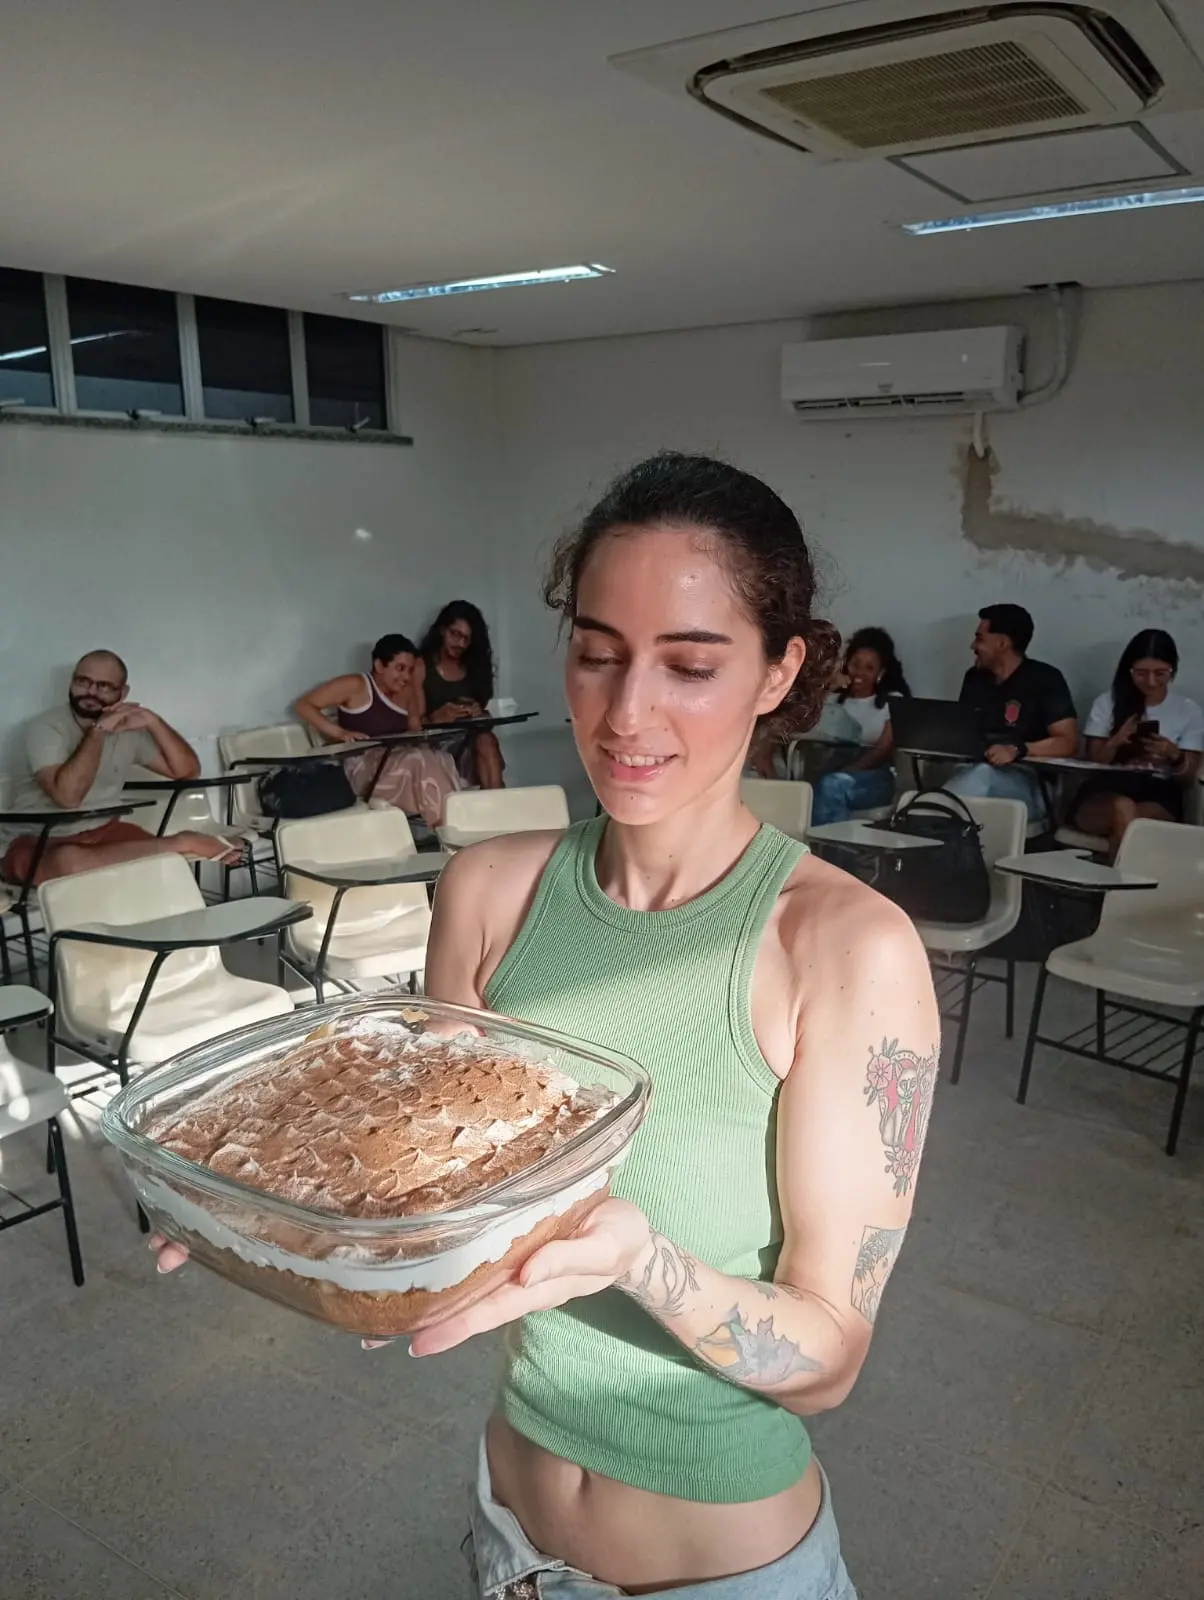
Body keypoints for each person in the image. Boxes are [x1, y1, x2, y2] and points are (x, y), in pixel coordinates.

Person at [155, 452, 940, 1598]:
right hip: (506, 1542)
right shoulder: (488, 888)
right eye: (597, 654)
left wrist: (645, 1263)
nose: (627, 714)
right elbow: (433, 1197)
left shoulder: (841, 949)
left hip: (723, 1569)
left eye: (689, 665)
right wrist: (261, 1208)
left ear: (778, 673)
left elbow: (826, 1361)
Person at [0, 650, 240, 885]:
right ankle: (180, 842)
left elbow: (187, 771)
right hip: (38, 839)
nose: (91, 692)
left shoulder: (128, 730)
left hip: (105, 831)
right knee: (70, 863)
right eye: (83, 682)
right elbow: (68, 798)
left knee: (164, 870)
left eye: (104, 686)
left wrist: (153, 722)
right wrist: (99, 731)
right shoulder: (44, 727)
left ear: (123, 693)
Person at [293, 634, 460, 829]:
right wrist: (340, 733)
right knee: (418, 760)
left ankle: (455, 827)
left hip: (398, 759)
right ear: (380, 666)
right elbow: (304, 705)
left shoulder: (407, 693)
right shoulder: (356, 685)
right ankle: (449, 831)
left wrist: (427, 743)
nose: (406, 677)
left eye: (410, 670)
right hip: (363, 767)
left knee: (441, 757)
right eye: (400, 668)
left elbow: (415, 730)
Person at [1070, 629, 1203, 859]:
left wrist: (1174, 755)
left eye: (1160, 673)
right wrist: (1115, 742)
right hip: (1105, 790)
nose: (1151, 682)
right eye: (1141, 673)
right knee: (1122, 808)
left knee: (1128, 817)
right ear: (1129, 670)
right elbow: (1091, 763)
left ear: (1173, 670)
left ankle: (1111, 888)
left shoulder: (1187, 710)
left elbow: (1189, 778)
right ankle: (1123, 893)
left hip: (1158, 793)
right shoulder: (1107, 702)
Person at [945, 603, 1077, 820]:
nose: (972, 645)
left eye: (979, 638)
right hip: (971, 771)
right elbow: (965, 731)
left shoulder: (1046, 679)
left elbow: (1068, 742)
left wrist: (1017, 749)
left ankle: (925, 821)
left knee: (982, 777)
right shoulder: (974, 679)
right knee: (976, 780)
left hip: (1029, 783)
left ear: (1002, 643)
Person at [810, 627, 910, 825]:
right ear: (846, 665)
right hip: (832, 767)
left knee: (832, 786)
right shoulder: (833, 701)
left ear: (880, 673)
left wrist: (849, 769)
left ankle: (830, 853)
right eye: (855, 664)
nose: (860, 673)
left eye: (869, 668)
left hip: (876, 775)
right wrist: (828, 686)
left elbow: (882, 750)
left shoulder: (892, 703)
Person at [416, 600, 505, 789]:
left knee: (486, 740)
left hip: (470, 740)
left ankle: (497, 802)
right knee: (484, 744)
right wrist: (435, 718)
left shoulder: (473, 668)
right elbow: (412, 724)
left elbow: (486, 716)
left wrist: (478, 713)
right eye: (455, 634)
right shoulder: (422, 666)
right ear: (442, 630)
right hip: (435, 743)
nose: (460, 644)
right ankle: (498, 803)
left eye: (466, 639)